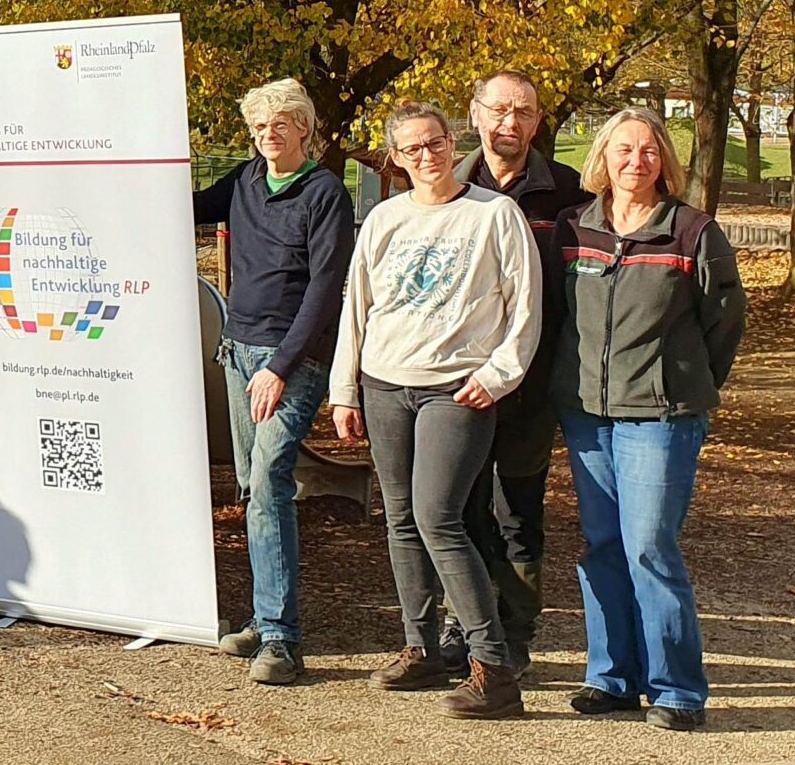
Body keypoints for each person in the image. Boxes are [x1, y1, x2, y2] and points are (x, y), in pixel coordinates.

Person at [330, 101, 541, 719]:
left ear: (455, 144)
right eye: (413, 149)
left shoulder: (494, 215)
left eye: (437, 144)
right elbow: (357, 308)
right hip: (385, 384)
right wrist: (346, 390)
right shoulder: (383, 219)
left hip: (456, 390)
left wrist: (498, 376)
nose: (428, 157)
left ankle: (494, 669)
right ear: (395, 158)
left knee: (438, 518)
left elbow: (525, 307)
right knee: (398, 518)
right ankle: (421, 647)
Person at [551, 109, 746, 732]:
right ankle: (611, 679)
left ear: (664, 160)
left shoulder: (691, 231)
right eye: (623, 150)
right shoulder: (572, 228)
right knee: (601, 546)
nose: (636, 162)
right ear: (602, 159)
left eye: (648, 151)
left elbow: (725, 319)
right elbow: (556, 316)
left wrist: (689, 381)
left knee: (649, 549)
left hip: (660, 418)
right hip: (586, 415)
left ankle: (677, 690)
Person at [190, 79, 353, 685]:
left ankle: (282, 640)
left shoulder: (324, 192)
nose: (268, 136)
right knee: (250, 487)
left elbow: (323, 290)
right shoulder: (245, 181)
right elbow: (184, 203)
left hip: (293, 358)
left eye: (280, 125)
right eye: (259, 127)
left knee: (269, 480)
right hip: (237, 349)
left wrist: (280, 369)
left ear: (304, 130)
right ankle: (264, 616)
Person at [445, 70, 592, 677]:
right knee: (460, 507)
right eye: (499, 110)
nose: (510, 123)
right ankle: (466, 627)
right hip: (456, 385)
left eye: (524, 112)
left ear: (537, 123)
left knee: (517, 511)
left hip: (532, 386)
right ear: (475, 114)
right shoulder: (446, 187)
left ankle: (515, 631)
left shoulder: (571, 195)